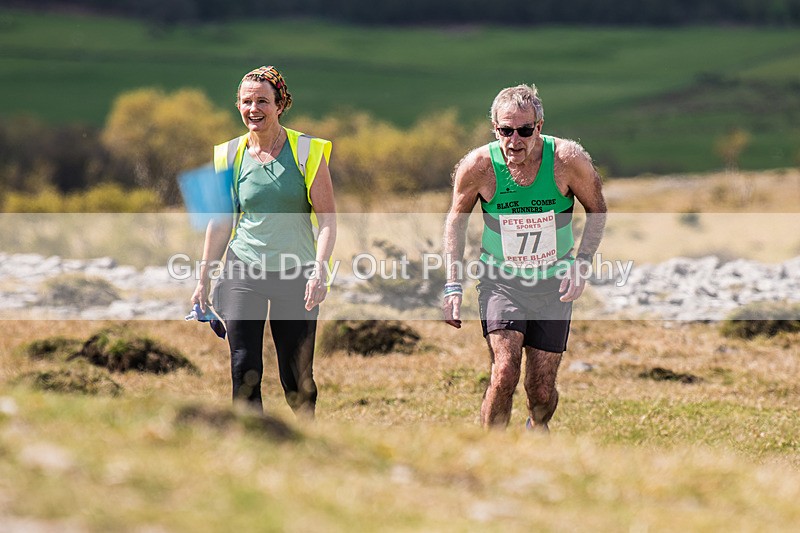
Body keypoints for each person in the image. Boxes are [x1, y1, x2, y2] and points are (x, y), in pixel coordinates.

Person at [442, 84, 606, 432]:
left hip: (553, 284)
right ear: (495, 128)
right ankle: (493, 453)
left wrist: (582, 264)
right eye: (505, 130)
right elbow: (456, 221)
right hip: (501, 281)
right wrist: (452, 285)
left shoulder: (567, 160)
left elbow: (597, 209)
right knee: (504, 371)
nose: (515, 140)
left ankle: (536, 425)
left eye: (525, 130)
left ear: (539, 126)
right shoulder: (479, 166)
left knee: (541, 390)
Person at [191, 66, 336, 418]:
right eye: (246, 101)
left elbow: (328, 219)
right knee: (244, 368)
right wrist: (203, 280)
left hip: (295, 274)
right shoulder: (227, 154)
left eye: (262, 101)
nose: (253, 109)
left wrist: (320, 272)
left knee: (296, 377)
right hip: (243, 271)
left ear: (280, 105)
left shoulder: (307, 151)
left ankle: (306, 443)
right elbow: (219, 222)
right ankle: (250, 442)